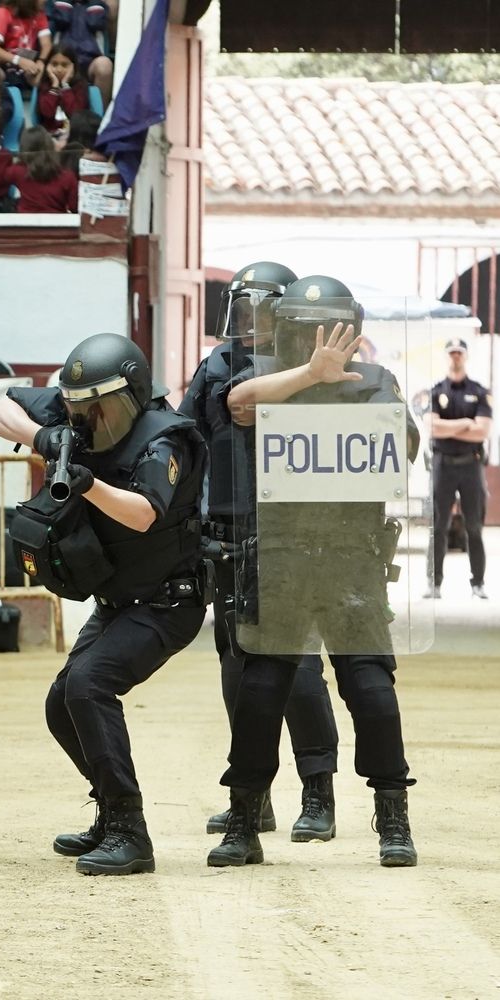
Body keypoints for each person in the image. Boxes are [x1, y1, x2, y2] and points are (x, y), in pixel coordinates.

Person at [210, 275, 419, 869]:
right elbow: (237, 405)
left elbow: (401, 443)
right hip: (280, 555)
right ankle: (244, 818)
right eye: (304, 327)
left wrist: (375, 406)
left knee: (372, 689)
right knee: (260, 691)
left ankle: (393, 815)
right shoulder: (272, 380)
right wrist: (312, 375)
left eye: (331, 329)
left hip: (353, 555)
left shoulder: (376, 381)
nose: (316, 337)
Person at [0, 333, 208, 875]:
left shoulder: (164, 440)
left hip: (167, 603)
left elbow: (145, 513)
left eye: (98, 408)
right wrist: (49, 437)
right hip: (116, 599)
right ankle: (111, 813)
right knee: (61, 703)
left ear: (131, 395)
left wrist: (87, 484)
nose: (89, 418)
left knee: (89, 686)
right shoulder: (73, 411)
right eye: (78, 406)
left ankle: (132, 833)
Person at [178, 261, 339, 843]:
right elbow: (185, 438)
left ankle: (318, 791)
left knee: (297, 669)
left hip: (291, 535)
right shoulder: (218, 365)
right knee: (236, 667)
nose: (247, 322)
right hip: (225, 532)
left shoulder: (314, 367)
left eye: (259, 311)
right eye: (240, 310)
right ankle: (255, 795)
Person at [425, 337, 491, 600]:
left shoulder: (479, 391)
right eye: (451, 352)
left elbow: (482, 432)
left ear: (465, 356)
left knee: (474, 527)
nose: (455, 356)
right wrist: (466, 422)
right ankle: (434, 584)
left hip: (471, 467)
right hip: (443, 466)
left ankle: (478, 584)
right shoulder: (434, 391)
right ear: (446, 356)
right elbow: (431, 428)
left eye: (459, 353)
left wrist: (448, 428)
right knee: (438, 527)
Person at [0, 124, 76, 212]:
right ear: (50, 145)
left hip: (25, 222)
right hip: (56, 223)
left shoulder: (16, 171)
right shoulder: (67, 176)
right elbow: (74, 207)